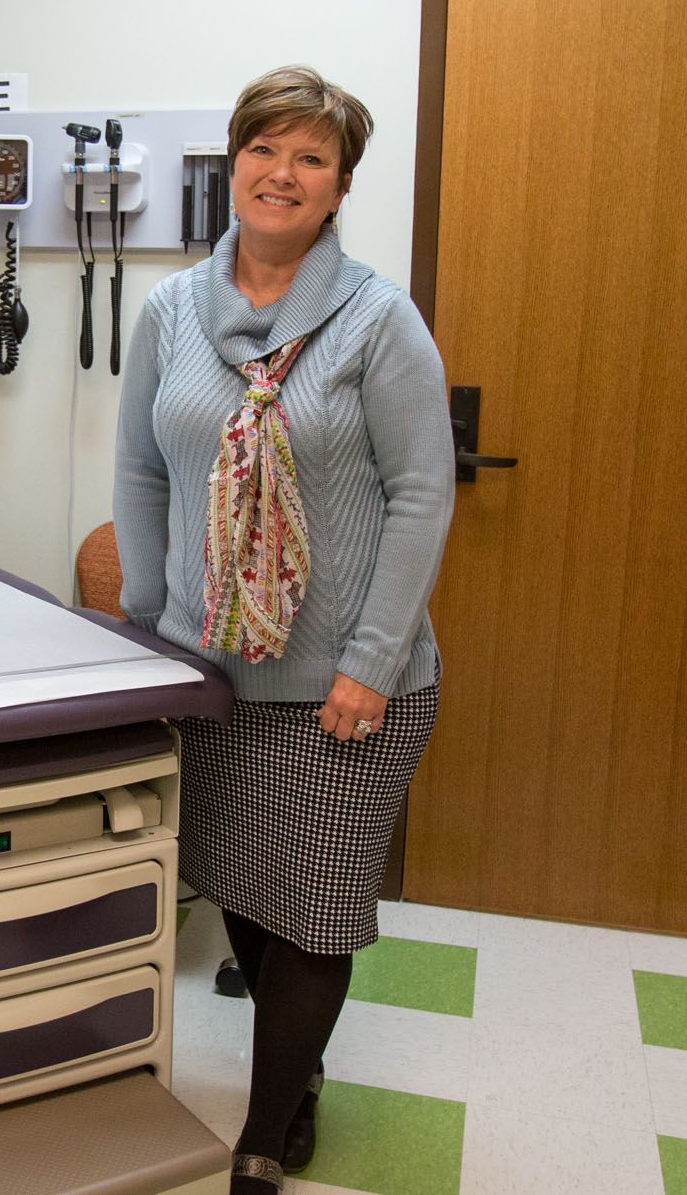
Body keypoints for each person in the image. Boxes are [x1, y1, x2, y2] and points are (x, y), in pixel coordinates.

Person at [112, 67, 454, 1192]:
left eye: (312, 157)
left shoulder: (376, 319)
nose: (283, 173)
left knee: (312, 915)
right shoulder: (171, 312)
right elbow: (142, 472)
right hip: (208, 672)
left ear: (339, 187)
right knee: (249, 897)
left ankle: (264, 1133)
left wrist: (372, 662)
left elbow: (422, 494)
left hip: (346, 687)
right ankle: (296, 1073)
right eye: (265, 149)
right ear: (235, 164)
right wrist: (147, 631)